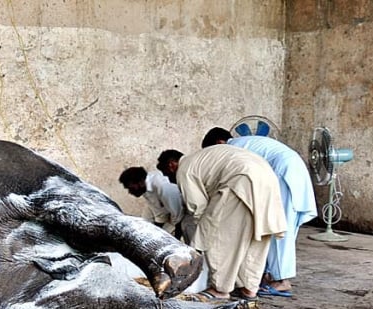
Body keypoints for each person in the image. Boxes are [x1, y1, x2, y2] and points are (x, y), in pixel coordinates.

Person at [201, 127, 317, 296]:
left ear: (219, 143)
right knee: (283, 228)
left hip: (282, 171)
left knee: (277, 227)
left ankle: (281, 281)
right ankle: (274, 275)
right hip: (293, 170)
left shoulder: (234, 149)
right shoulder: (246, 142)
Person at [174, 144, 286, 300]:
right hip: (267, 177)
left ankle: (220, 289)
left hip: (241, 179)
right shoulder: (202, 157)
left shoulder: (183, 169)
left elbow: (197, 208)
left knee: (222, 238)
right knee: (255, 237)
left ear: (171, 165)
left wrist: (201, 238)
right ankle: (249, 288)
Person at [118, 165, 194, 242]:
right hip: (170, 210)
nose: (130, 192)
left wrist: (176, 237)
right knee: (146, 226)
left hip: (188, 211)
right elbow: (160, 213)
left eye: (131, 188)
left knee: (188, 235)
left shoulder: (163, 186)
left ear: (140, 182)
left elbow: (178, 215)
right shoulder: (145, 188)